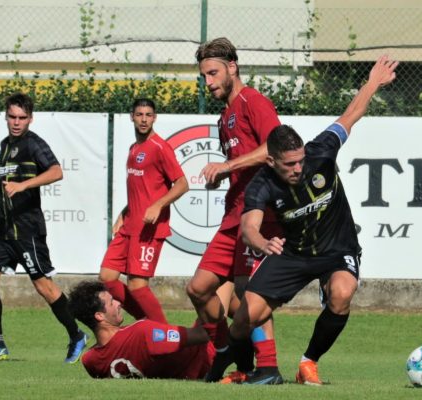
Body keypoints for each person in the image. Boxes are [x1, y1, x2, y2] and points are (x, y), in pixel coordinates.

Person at [214, 55, 399, 385]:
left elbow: (351, 114)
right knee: (242, 320)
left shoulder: (321, 151)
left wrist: (373, 83)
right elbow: (249, 229)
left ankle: (308, 363)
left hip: (336, 249)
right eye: (290, 165)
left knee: (343, 293)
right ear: (271, 161)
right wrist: (262, 243)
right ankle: (244, 369)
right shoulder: (263, 184)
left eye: (300, 161)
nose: (299, 169)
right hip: (292, 254)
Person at [185, 37, 282, 383]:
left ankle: (268, 367)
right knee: (197, 288)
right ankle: (224, 346)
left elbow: (276, 146)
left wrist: (226, 168)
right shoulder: (225, 115)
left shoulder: (253, 101)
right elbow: (241, 162)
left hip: (256, 215)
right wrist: (225, 173)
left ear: (232, 67)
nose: (208, 81)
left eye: (213, 73)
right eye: (204, 76)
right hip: (232, 217)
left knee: (248, 291)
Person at [0, 92, 88, 363]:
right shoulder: (4, 145)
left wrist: (23, 185)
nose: (17, 122)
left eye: (22, 118)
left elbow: (56, 171)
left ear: (30, 119)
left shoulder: (34, 144)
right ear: (6, 117)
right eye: (12, 117)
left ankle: (76, 335)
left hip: (27, 230)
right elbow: (11, 181)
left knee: (44, 287)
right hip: (4, 228)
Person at [99, 98, 188, 324]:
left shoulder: (160, 148)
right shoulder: (134, 148)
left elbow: (182, 184)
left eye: (148, 115)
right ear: (132, 117)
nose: (144, 119)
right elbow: (142, 190)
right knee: (107, 277)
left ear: (155, 118)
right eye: (139, 114)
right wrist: (123, 213)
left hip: (149, 228)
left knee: (137, 285)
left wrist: (158, 205)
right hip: (130, 225)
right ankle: (147, 321)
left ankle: (163, 332)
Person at [67, 280, 215, 379]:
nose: (119, 303)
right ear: (99, 316)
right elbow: (204, 334)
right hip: (208, 357)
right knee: (216, 284)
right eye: (112, 302)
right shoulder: (142, 331)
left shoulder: (90, 360)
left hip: (193, 365)